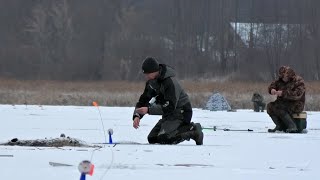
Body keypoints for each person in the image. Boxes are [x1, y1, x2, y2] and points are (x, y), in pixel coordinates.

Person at [132, 57, 204, 145]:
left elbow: (170, 106)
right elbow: (144, 99)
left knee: (165, 138)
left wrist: (149, 110)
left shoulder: (169, 82)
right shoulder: (151, 82)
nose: (146, 76)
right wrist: (137, 115)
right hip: (168, 115)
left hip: (181, 113)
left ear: (155, 71)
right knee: (152, 138)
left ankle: (193, 130)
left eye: (147, 74)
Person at [267, 66, 306, 133]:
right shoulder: (280, 80)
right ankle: (279, 126)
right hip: (282, 103)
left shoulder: (298, 81)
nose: (283, 79)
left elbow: (297, 94)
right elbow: (273, 85)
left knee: (280, 107)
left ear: (289, 75)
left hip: (296, 104)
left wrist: (283, 93)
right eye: (281, 77)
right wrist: (272, 89)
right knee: (270, 106)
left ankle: (292, 126)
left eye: (284, 77)